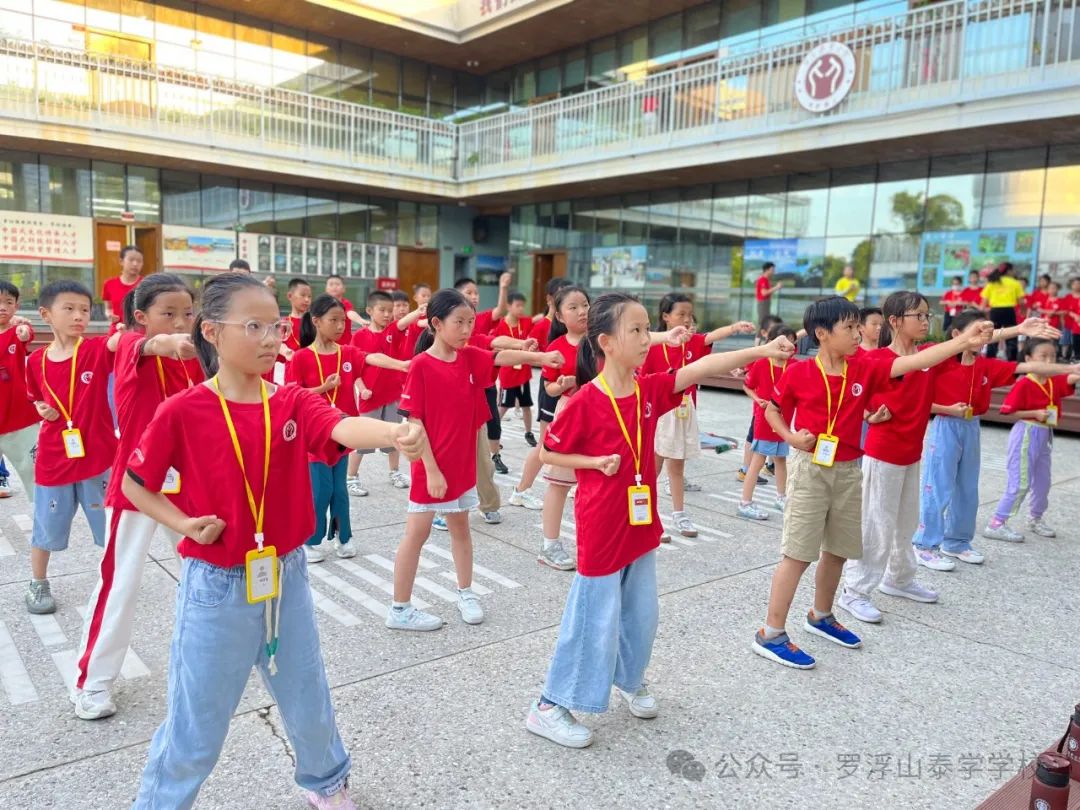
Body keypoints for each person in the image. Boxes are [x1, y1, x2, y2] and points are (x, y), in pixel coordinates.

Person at [122, 272, 427, 809]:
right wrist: (184, 524)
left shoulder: (288, 402)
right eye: (254, 326)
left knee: (306, 692)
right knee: (198, 718)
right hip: (216, 586)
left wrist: (393, 433)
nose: (270, 339)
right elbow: (134, 483)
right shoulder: (184, 411)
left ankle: (327, 783)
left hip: (286, 574)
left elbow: (341, 427)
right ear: (212, 332)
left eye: (277, 326)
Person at [524, 292, 796, 748]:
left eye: (647, 328)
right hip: (602, 529)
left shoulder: (648, 389)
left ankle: (630, 679)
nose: (646, 338)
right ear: (606, 342)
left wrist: (763, 351)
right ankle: (551, 704)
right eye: (636, 330)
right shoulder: (587, 401)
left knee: (641, 615)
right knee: (594, 618)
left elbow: (701, 369)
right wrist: (592, 464)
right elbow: (548, 450)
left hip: (640, 524)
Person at [750, 296, 993, 669]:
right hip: (811, 468)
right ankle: (771, 633)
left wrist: (962, 343)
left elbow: (917, 361)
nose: (858, 333)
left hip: (849, 469)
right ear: (822, 334)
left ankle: (821, 615)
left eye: (856, 326)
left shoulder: (862, 367)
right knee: (798, 552)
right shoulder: (799, 371)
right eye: (848, 327)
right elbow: (773, 408)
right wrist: (790, 436)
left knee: (839, 549)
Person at [387, 288, 562, 631]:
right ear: (436, 324)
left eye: (470, 322)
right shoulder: (421, 365)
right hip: (431, 468)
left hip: (462, 464)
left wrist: (542, 359)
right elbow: (415, 422)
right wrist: (432, 471)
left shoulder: (467, 357)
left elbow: (499, 358)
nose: (467, 330)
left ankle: (465, 592)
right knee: (415, 535)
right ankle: (400, 607)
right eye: (459, 323)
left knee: (461, 530)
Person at [73, 274, 203, 721]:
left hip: (190, 488)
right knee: (120, 583)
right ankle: (92, 682)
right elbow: (126, 347)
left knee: (204, 576)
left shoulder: (199, 358)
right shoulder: (134, 350)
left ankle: (208, 663)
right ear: (141, 317)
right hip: (137, 487)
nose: (180, 322)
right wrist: (158, 343)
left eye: (187, 312)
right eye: (168, 314)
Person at [839, 293, 1014, 625]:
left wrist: (1015, 329)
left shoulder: (926, 357)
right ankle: (855, 591)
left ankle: (899, 578)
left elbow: (960, 348)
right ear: (895, 321)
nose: (925, 321)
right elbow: (854, 394)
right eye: (918, 315)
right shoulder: (880, 360)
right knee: (876, 524)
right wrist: (867, 414)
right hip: (883, 454)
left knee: (906, 523)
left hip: (910, 453)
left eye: (926, 315)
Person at [913, 310, 1068, 566]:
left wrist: (1070, 367)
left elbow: (1025, 366)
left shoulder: (985, 365)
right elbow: (921, 401)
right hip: (946, 426)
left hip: (972, 426)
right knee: (938, 486)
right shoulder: (939, 359)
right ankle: (925, 544)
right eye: (978, 330)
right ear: (956, 334)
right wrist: (948, 409)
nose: (983, 336)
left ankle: (957, 542)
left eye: (987, 332)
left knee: (968, 488)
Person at [288, 294, 408, 562]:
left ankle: (343, 537)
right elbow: (292, 396)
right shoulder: (301, 358)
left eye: (343, 321)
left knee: (340, 492)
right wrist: (324, 388)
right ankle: (310, 541)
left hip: (343, 435)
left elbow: (374, 358)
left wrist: (401, 364)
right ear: (316, 321)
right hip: (314, 437)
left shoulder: (348, 353)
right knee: (320, 492)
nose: (341, 326)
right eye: (334, 320)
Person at [24, 281, 119, 614]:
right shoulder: (35, 361)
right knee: (45, 526)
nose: (80, 316)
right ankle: (38, 583)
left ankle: (115, 583)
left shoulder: (95, 350)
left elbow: (119, 343)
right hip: (54, 458)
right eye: (70, 309)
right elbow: (36, 397)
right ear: (46, 314)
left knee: (109, 528)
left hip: (98, 458)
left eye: (84, 309)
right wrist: (42, 409)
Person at [642, 292, 754, 539]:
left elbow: (712, 336)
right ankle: (649, 517)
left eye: (689, 315)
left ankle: (679, 514)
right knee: (654, 466)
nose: (686, 319)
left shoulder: (692, 342)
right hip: (661, 414)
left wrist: (735, 328)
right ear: (665, 317)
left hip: (685, 412)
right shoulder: (653, 347)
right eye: (680, 314)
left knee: (678, 467)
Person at [982, 338, 1080, 544]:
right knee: (1020, 482)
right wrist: (1035, 412)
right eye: (1043, 356)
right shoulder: (1025, 383)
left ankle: (1035, 518)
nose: (1049, 360)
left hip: (1045, 435)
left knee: (1043, 482)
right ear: (1028, 359)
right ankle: (997, 522)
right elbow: (1008, 411)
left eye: (1053, 356)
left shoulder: (1053, 381)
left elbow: (1070, 378)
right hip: (1026, 433)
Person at [345, 290, 426, 495]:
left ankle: (394, 472)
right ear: (370, 311)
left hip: (391, 395)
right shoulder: (360, 336)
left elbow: (402, 323)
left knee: (394, 438)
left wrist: (418, 311)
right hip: (370, 398)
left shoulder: (391, 331)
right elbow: (355, 368)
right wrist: (362, 389)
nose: (388, 314)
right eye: (382, 310)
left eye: (390, 310)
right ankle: (351, 477)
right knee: (362, 441)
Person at [738, 323, 798, 520]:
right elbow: (748, 386)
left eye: (791, 344)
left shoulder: (795, 365)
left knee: (781, 460)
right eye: (783, 344)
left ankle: (781, 497)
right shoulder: (762, 363)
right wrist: (757, 400)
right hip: (764, 420)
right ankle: (745, 502)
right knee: (758, 460)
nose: (788, 348)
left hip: (784, 421)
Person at [455, 274, 511, 476]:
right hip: (462, 384)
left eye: (476, 292)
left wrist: (503, 287)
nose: (474, 296)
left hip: (485, 383)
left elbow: (501, 311)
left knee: (493, 422)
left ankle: (495, 455)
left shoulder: (481, 318)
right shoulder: (450, 320)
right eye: (469, 292)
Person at [0, 281, 38, 501]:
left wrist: (24, 330)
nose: (3, 307)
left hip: (20, 418)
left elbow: (26, 334)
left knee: (36, 474)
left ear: (16, 306)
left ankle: (44, 526)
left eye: (8, 302)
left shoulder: (17, 331)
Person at [738, 314, 784, 483]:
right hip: (762, 409)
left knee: (776, 437)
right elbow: (747, 374)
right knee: (754, 438)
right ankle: (746, 469)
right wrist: (741, 370)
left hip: (778, 408)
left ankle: (770, 466)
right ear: (766, 334)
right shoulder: (761, 355)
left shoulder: (784, 359)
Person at [494, 291, 537, 446]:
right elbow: (495, 345)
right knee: (503, 406)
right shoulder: (500, 325)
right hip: (508, 373)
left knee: (526, 405)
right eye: (517, 306)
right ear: (508, 306)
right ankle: (493, 434)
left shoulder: (525, 322)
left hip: (523, 373)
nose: (521, 309)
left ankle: (529, 432)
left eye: (522, 306)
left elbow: (538, 320)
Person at [982, 262, 1025, 360]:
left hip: (995, 312)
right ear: (1009, 271)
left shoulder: (992, 282)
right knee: (1012, 336)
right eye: (1012, 270)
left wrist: (982, 314)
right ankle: (1012, 361)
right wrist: (1023, 311)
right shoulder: (1015, 283)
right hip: (1009, 311)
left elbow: (984, 302)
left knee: (992, 335)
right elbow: (1021, 302)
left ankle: (990, 360)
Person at [103, 246, 144, 336]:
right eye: (131, 260)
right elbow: (108, 308)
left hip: (139, 332)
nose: (135, 264)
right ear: (121, 261)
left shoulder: (146, 284)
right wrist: (110, 315)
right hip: (116, 331)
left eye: (139, 261)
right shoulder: (109, 284)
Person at [529, 277, 573, 351]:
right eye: (561, 296)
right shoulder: (540, 327)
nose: (566, 300)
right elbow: (527, 358)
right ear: (549, 298)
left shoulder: (572, 325)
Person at [326, 274, 365, 343]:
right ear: (326, 289)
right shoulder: (322, 304)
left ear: (344, 289)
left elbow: (350, 313)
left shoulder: (346, 303)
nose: (334, 286)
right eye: (331, 284)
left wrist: (360, 320)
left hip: (344, 345)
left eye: (337, 284)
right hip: (327, 344)